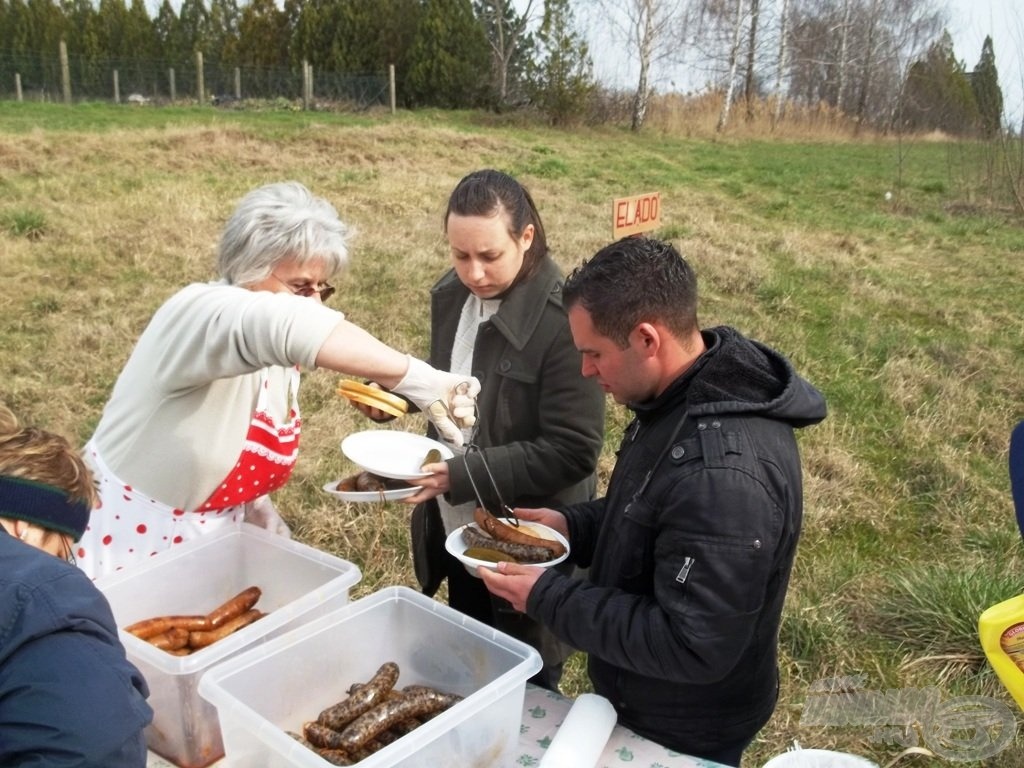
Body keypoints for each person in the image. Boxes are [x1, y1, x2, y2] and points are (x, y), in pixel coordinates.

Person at [479, 236, 827, 766]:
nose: (586, 372)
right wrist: (573, 527)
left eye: (594, 354)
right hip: (644, 693)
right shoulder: (680, 395)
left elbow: (692, 643)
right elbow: (651, 512)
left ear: (646, 339)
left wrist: (548, 597)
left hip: (685, 724)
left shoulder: (723, 481)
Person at [77, 181, 479, 579]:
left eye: (323, 288)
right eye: (301, 287)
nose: (316, 304)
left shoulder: (275, 361)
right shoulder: (198, 314)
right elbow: (286, 325)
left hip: (207, 546)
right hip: (127, 548)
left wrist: (257, 510)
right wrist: (416, 378)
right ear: (247, 271)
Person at [353, 169, 605, 689]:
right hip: (456, 524)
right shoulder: (451, 295)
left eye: (490, 256)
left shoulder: (564, 321)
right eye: (460, 254)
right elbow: (450, 380)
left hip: (523, 540)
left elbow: (573, 449)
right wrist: (398, 398)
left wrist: (458, 474)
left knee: (526, 686)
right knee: (466, 668)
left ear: (526, 237)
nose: (474, 272)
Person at [0, 404, 153, 767]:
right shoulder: (39, 597)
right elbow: (96, 747)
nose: (58, 565)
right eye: (62, 551)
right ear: (27, 527)